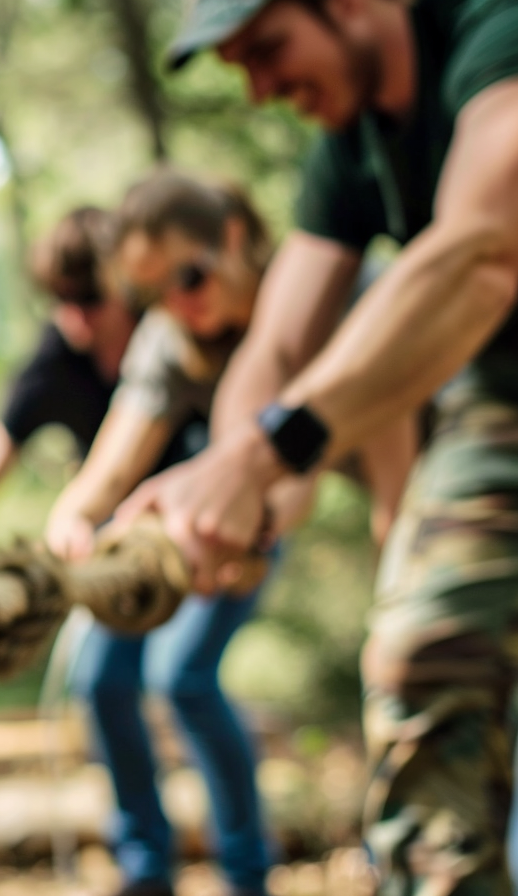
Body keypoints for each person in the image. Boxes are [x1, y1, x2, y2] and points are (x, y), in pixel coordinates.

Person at [117, 0, 518, 890]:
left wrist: (264, 456)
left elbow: (484, 251)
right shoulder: (351, 145)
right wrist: (233, 491)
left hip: (485, 366)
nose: (261, 89)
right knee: (422, 657)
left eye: (266, 48)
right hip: (502, 400)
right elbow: (277, 345)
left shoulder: (495, 30)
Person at [42, 172, 277, 896]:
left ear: (232, 240)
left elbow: (291, 477)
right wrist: (73, 519)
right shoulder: (167, 339)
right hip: (175, 533)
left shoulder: (296, 303)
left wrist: (252, 531)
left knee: (184, 678)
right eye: (154, 294)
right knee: (102, 678)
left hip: (255, 518)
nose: (180, 304)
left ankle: (246, 875)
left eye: (191, 277)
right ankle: (146, 872)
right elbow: (112, 465)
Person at [0, 207, 168, 553]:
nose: (75, 319)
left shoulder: (168, 335)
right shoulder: (54, 361)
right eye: (61, 299)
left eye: (90, 300)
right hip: (108, 527)